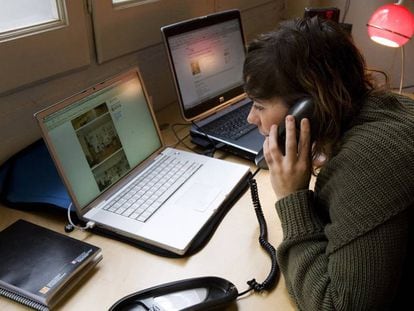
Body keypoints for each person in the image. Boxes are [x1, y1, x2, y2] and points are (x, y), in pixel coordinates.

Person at [243, 16, 414, 310]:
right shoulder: (395, 108)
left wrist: (291, 197)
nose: (251, 118)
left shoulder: (366, 163)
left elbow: (334, 305)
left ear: (305, 109)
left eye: (259, 105)